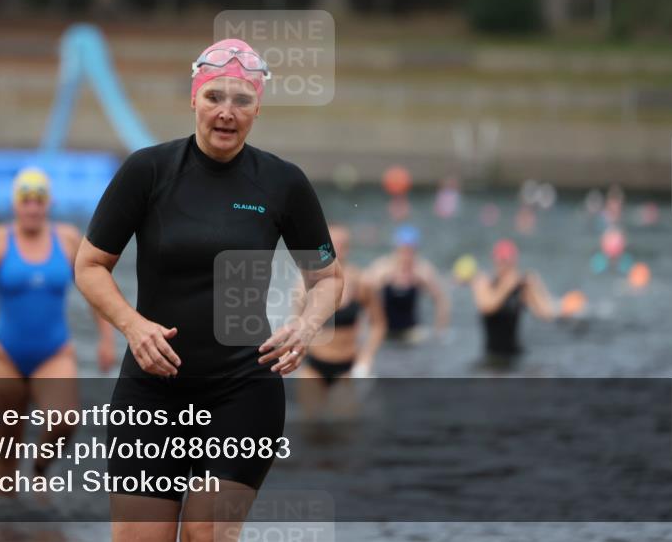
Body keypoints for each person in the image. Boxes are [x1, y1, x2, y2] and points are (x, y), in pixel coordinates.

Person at [74, 39, 343, 542]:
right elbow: (89, 266)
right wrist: (131, 325)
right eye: (214, 97)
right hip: (151, 389)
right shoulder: (148, 171)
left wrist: (307, 327)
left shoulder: (282, 183)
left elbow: (327, 278)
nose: (226, 112)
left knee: (206, 533)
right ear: (193, 100)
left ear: (257, 108)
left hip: (242, 388)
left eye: (241, 100)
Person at [0, 167, 116, 485]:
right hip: (3, 355)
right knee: (5, 453)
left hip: (54, 352)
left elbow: (95, 289)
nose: (33, 207)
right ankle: (2, 525)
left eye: (39, 200)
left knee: (65, 420)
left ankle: (39, 468)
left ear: (48, 203)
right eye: (26, 200)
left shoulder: (66, 239)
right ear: (16, 204)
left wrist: (106, 339)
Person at [297, 224, 385, 386]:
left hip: (347, 365)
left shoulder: (362, 282)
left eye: (341, 245)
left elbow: (378, 324)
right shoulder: (306, 284)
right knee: (309, 412)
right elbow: (297, 324)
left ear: (347, 248)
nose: (336, 250)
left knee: (341, 411)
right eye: (331, 245)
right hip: (314, 365)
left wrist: (367, 356)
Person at [469, 239, 556, 370]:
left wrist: (537, 286)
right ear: (495, 261)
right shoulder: (484, 282)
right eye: (501, 261)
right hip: (492, 356)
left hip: (516, 356)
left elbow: (547, 315)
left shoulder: (520, 289)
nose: (504, 266)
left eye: (508, 262)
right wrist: (507, 285)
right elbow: (486, 307)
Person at [363, 224, 450, 345]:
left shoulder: (422, 270)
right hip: (384, 330)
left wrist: (440, 330)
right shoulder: (382, 268)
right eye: (403, 250)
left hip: (411, 331)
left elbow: (441, 300)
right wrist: (367, 326)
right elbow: (364, 295)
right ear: (396, 249)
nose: (406, 255)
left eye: (410, 250)